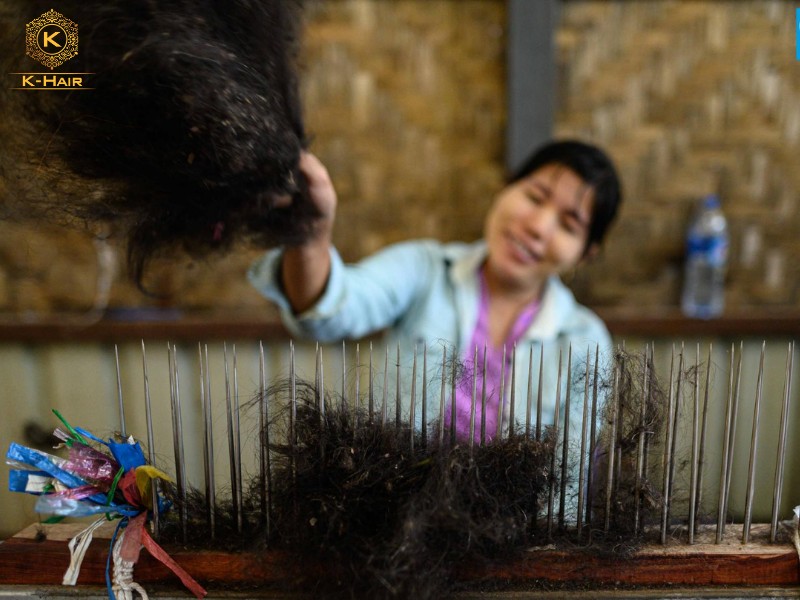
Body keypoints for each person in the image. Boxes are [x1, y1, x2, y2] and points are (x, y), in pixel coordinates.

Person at [249, 140, 622, 444]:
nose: (539, 226)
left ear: (585, 254)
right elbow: (329, 312)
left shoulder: (585, 342)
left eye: (568, 225)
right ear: (507, 188)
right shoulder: (423, 270)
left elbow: (567, 485)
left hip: (517, 534)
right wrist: (310, 234)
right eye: (535, 197)